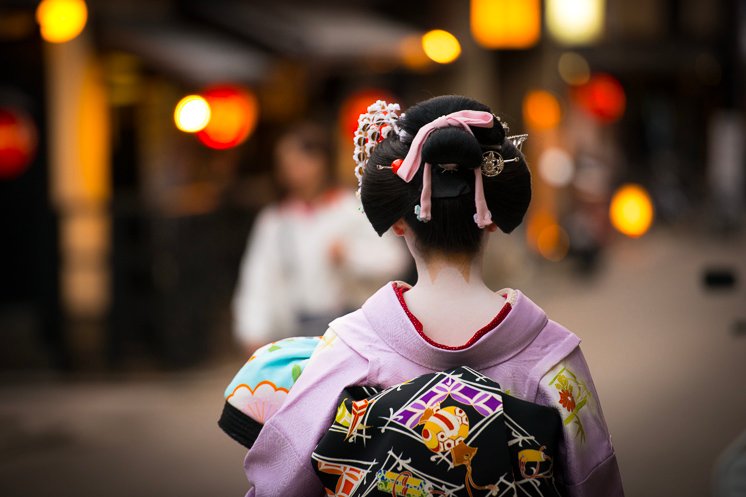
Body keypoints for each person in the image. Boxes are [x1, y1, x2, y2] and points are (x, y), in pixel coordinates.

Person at [220, 96, 624, 496]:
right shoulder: (553, 360)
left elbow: (277, 483)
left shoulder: (348, 352)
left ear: (396, 222)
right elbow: (598, 484)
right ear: (492, 219)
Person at [232, 123, 409, 353]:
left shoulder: (352, 207)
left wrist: (349, 255)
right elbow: (258, 279)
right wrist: (253, 330)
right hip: (294, 334)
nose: (293, 171)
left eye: (300, 161)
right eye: (286, 164)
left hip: (351, 329)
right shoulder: (275, 221)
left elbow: (394, 260)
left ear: (322, 162)